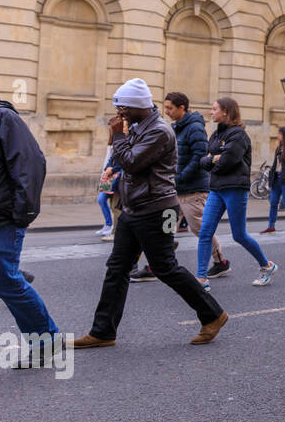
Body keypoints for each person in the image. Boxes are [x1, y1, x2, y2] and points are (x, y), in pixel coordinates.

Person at [74, 78, 228, 350]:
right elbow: (126, 160)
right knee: (117, 269)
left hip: (160, 210)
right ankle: (103, 331)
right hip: (134, 209)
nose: (119, 113)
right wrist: (117, 145)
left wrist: (119, 137)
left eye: (123, 108)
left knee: (165, 267)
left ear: (137, 106)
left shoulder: (159, 131)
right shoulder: (137, 127)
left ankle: (213, 315)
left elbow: (132, 162)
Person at [0, 59, 60, 364]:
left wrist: (20, 216)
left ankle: (47, 342)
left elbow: (31, 165)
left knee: (5, 282)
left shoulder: (3, 119)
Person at [129, 92, 230, 283]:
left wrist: (181, 177)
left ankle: (221, 261)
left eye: (170, 108)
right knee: (166, 229)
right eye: (165, 108)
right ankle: (156, 266)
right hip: (174, 191)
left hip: (193, 191)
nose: (166, 112)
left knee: (201, 229)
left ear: (182, 107)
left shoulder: (195, 128)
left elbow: (199, 156)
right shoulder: (175, 128)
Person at [196, 97, 278, 288]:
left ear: (226, 111)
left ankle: (267, 265)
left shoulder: (239, 135)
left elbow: (226, 162)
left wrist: (214, 159)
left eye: (214, 108)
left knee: (239, 235)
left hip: (234, 189)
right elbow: (203, 162)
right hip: (216, 189)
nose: (211, 112)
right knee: (205, 232)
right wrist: (214, 159)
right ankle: (201, 278)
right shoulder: (216, 136)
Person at [95, 119, 120, 237]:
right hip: (108, 176)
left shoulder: (122, 140)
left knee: (115, 205)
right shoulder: (113, 142)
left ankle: (114, 229)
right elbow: (110, 159)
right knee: (104, 200)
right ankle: (110, 225)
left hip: (115, 177)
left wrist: (112, 169)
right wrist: (106, 170)